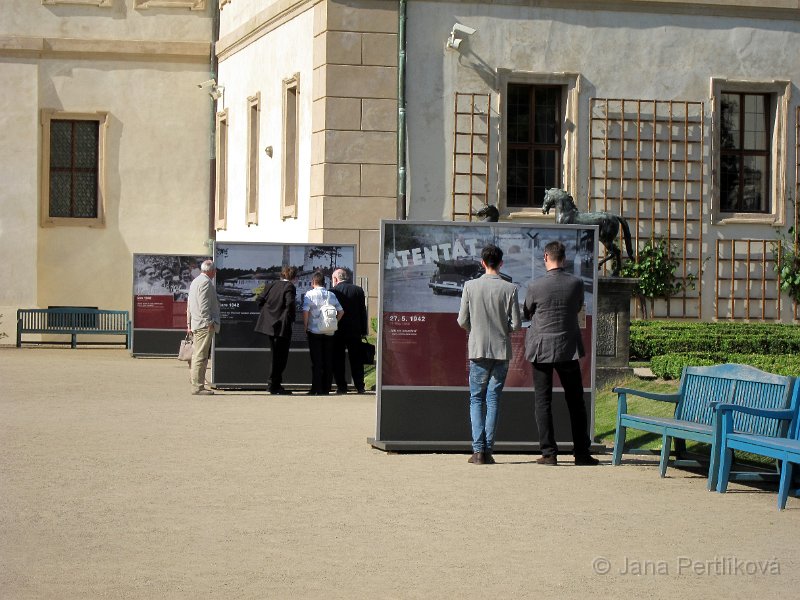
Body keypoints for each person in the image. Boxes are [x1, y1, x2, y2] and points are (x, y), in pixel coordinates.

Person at [523, 240, 598, 466]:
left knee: (542, 401)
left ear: (546, 257)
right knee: (575, 401)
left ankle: (549, 453)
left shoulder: (535, 286)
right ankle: (582, 453)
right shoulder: (576, 284)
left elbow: (527, 312)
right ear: (563, 259)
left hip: (541, 348)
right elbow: (577, 308)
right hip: (568, 348)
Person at [457, 244, 521, 465]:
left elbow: (461, 320)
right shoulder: (510, 288)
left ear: (482, 263)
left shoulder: (470, 286)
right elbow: (516, 323)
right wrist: (503, 328)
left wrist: (475, 330)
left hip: (478, 349)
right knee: (493, 399)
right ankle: (489, 449)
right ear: (501, 263)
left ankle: (477, 451)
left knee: (476, 398)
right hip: (501, 350)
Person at [254, 266, 299, 395]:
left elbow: (259, 300)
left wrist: (268, 314)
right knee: (281, 357)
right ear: (293, 277)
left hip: (270, 326)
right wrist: (289, 317)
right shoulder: (289, 287)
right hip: (282, 326)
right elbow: (290, 303)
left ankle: (274, 384)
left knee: (275, 355)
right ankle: (274, 385)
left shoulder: (271, 285)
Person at [302, 271, 343, 395]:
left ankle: (316, 388)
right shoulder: (331, 295)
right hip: (329, 331)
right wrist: (335, 322)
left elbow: (305, 312)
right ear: (324, 283)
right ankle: (326, 388)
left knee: (317, 361)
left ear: (313, 282)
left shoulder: (310, 294)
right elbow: (341, 311)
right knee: (328, 360)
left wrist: (305, 326)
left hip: (314, 331)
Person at [330, 268, 368, 394]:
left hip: (337, 330)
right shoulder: (358, 290)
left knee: (338, 359)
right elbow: (363, 311)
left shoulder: (333, 291)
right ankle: (360, 386)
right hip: (354, 330)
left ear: (335, 279)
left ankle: (342, 387)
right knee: (357, 359)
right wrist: (364, 329)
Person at [187, 259, 221, 396]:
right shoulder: (206, 283)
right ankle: (197, 386)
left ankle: (197, 384)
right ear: (211, 271)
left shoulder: (196, 281)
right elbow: (203, 305)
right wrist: (209, 322)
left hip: (197, 323)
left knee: (199, 355)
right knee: (200, 356)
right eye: (215, 270)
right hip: (203, 325)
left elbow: (190, 304)